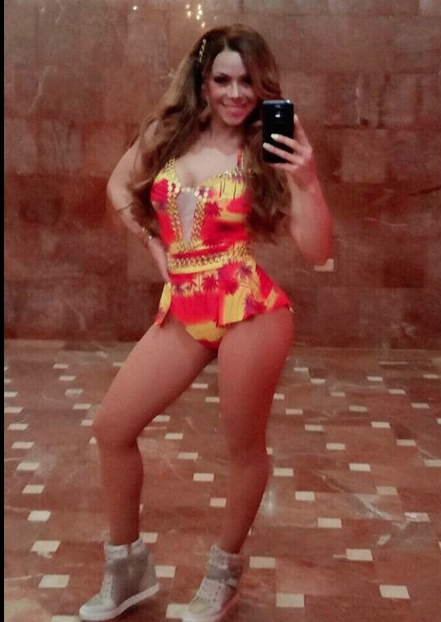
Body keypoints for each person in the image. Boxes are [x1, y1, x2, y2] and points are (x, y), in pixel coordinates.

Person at [78, 23, 332, 622]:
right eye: (223, 79)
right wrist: (152, 243)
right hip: (186, 303)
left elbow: (317, 250)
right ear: (203, 80)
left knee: (242, 448)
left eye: (248, 81)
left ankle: (224, 576)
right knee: (112, 427)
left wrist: (309, 180)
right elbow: (118, 185)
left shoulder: (271, 149)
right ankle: (128, 570)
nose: (236, 93)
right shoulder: (168, 134)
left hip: (249, 307)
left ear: (262, 85)